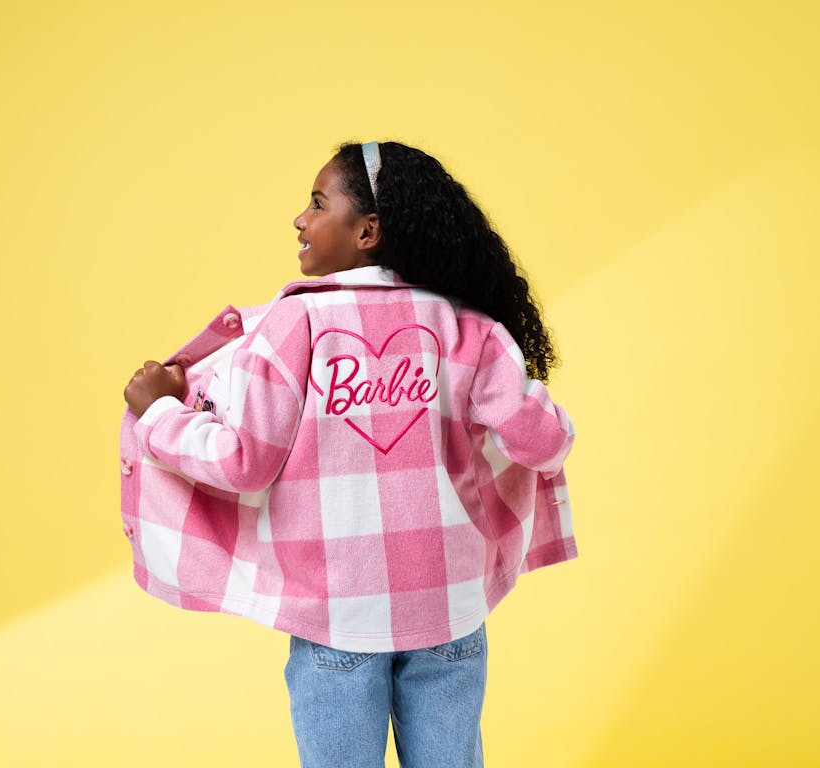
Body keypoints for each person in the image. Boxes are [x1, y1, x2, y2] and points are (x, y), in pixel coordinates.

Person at [122, 140, 577, 768]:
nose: (300, 220)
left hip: (336, 612)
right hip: (448, 608)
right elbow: (543, 442)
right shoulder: (470, 330)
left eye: (316, 203)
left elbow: (242, 461)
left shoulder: (296, 328)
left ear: (368, 231)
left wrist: (160, 414)